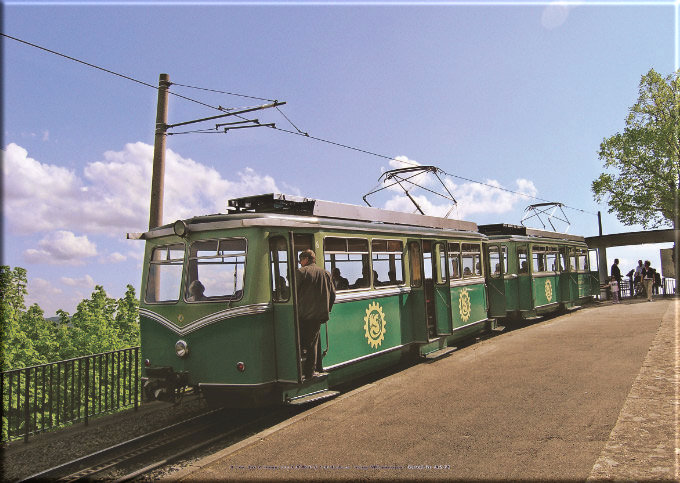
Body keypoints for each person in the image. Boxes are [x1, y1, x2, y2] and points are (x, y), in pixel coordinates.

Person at [296, 249, 336, 380]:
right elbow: (333, 294)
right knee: (313, 342)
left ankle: (308, 372)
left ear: (306, 259)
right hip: (318, 316)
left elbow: (292, 293)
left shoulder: (301, 272)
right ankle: (311, 371)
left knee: (305, 343)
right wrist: (326, 310)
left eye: (300, 260)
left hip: (302, 315)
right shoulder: (326, 273)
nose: (300, 262)